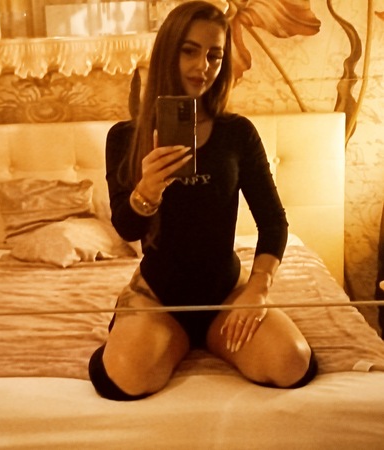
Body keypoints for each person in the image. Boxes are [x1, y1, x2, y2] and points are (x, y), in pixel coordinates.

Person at [89, 0, 317, 401]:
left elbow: (273, 222)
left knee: (292, 362)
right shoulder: (125, 137)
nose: (203, 66)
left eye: (215, 55)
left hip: (226, 294)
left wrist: (258, 290)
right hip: (159, 298)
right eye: (189, 51)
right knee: (124, 377)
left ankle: (199, 340)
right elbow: (126, 228)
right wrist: (148, 190)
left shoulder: (236, 133)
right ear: (168, 52)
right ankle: (151, 331)